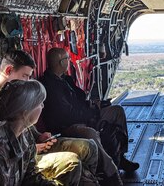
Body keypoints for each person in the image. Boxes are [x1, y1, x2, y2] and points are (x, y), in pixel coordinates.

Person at [0, 50, 99, 185]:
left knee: (88, 147)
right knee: (72, 161)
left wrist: (38, 137)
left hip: (21, 158)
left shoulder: (19, 110)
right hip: (6, 165)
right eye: (25, 76)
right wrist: (35, 148)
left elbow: (30, 173)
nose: (28, 82)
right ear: (8, 70)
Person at [40, 47, 139, 184]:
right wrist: (92, 114)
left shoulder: (66, 80)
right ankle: (110, 172)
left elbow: (79, 102)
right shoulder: (49, 86)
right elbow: (67, 115)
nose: (69, 61)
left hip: (84, 115)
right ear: (61, 62)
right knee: (90, 133)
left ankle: (121, 156)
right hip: (67, 126)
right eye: (67, 59)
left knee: (117, 111)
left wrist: (95, 105)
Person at [0, 80, 59, 185]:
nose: (42, 106)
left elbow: (30, 176)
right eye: (39, 103)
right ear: (25, 111)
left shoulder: (25, 134)